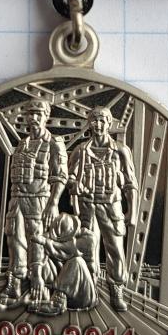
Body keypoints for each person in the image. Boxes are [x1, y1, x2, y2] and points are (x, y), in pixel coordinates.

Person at [0, 99, 67, 309]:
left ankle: (40, 286)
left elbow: (60, 176)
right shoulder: (22, 144)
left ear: (46, 116)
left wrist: (53, 203)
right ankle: (14, 286)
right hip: (17, 198)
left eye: (38, 114)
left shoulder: (54, 143)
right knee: (14, 239)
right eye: (30, 114)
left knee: (37, 239)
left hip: (38, 199)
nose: (34, 118)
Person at [67, 106, 139, 312]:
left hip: (111, 207)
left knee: (115, 249)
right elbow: (69, 176)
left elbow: (130, 183)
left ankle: (117, 290)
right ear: (89, 123)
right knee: (88, 249)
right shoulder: (81, 151)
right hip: (87, 206)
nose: (98, 124)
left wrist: (133, 212)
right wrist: (74, 184)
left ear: (109, 123)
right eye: (94, 120)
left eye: (102, 120)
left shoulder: (121, 151)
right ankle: (90, 290)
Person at [29, 212, 99, 315]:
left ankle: (58, 303)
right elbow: (37, 241)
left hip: (84, 296)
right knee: (46, 261)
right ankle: (42, 296)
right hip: (63, 295)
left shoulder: (88, 238)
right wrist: (36, 275)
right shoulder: (55, 236)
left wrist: (45, 242)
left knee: (76, 261)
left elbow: (69, 249)